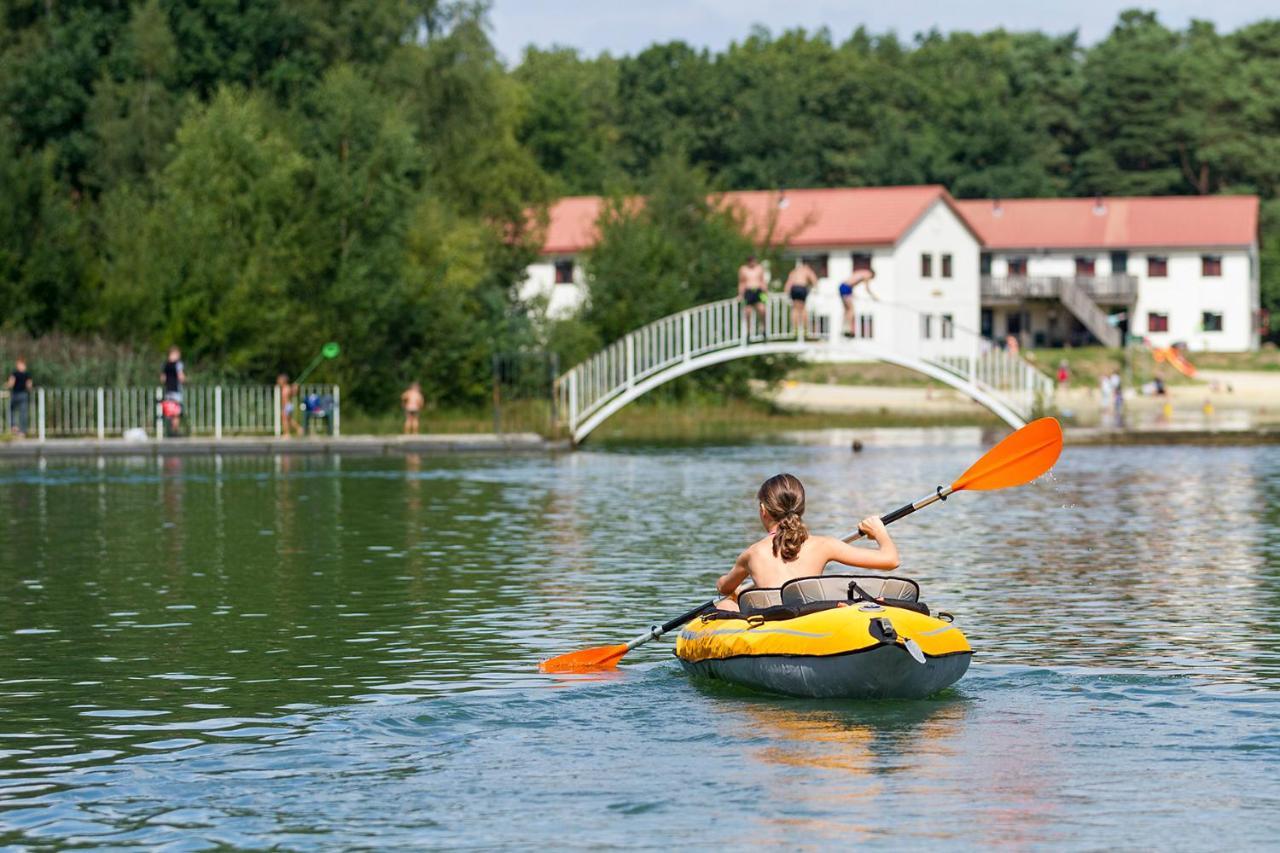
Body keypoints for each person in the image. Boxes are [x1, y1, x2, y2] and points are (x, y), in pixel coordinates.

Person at [712, 473, 899, 612]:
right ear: (802, 508)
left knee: (727, 604)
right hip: (809, 617)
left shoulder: (752, 554)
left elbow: (724, 587)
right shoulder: (824, 545)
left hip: (773, 624)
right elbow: (890, 560)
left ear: (763, 510)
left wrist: (729, 587)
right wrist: (879, 532)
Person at [839, 268, 876, 338]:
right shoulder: (867, 275)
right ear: (871, 274)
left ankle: (844, 328)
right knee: (851, 309)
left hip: (844, 287)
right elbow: (867, 289)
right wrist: (874, 297)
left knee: (846, 310)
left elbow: (852, 281)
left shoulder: (861, 271)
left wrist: (852, 293)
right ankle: (847, 329)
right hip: (846, 288)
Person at [785, 261, 818, 338]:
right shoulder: (807, 270)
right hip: (802, 288)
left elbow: (788, 284)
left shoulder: (794, 271)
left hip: (794, 288)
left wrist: (786, 294)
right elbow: (814, 280)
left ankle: (795, 329)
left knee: (795, 309)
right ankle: (805, 329)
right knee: (803, 309)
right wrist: (814, 289)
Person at [738, 255, 768, 336]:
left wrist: (765, 293)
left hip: (758, 291)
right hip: (748, 291)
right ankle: (748, 331)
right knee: (748, 312)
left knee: (762, 310)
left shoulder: (759, 268)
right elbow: (741, 282)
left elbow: (762, 281)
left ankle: (763, 328)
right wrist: (740, 294)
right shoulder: (743, 269)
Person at [160, 347, 185, 436]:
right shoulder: (178, 364)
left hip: (168, 391)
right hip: (176, 391)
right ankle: (175, 432)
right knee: (176, 413)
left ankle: (169, 431)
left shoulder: (165, 365)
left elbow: (163, 379)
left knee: (169, 412)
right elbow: (181, 377)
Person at [6, 358, 32, 437]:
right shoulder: (27, 374)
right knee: (23, 413)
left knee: (11, 410)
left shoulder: (15, 373)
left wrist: (6, 386)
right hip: (23, 394)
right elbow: (29, 385)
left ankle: (13, 426)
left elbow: (11, 383)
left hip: (15, 394)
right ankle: (22, 431)